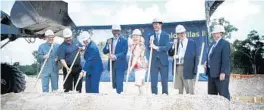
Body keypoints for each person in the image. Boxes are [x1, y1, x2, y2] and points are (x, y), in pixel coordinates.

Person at [168, 25, 198, 94]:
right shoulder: (176, 43)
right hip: (178, 66)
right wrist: (173, 46)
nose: (181, 35)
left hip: (187, 67)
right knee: (179, 88)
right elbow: (170, 53)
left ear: (185, 33)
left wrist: (179, 56)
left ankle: (190, 101)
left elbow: (193, 55)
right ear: (177, 35)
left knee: (189, 89)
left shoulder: (191, 43)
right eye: (179, 33)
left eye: (182, 33)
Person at [205, 25, 231, 100]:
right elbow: (211, 56)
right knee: (212, 97)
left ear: (221, 34)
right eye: (214, 33)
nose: (215, 35)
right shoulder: (212, 44)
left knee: (224, 95)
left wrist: (223, 72)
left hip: (220, 75)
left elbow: (225, 59)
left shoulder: (225, 44)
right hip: (211, 73)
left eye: (217, 33)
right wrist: (206, 61)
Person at [146, 18, 170, 95]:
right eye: (154, 24)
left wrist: (156, 47)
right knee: (153, 79)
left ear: (160, 25)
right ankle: (154, 93)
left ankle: (165, 93)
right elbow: (149, 47)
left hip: (163, 61)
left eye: (157, 24)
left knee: (164, 79)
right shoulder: (150, 35)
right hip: (154, 61)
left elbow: (167, 47)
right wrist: (150, 43)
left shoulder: (166, 35)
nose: (155, 26)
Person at [103, 24, 128, 94]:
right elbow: (104, 51)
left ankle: (120, 93)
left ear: (120, 31)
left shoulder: (124, 41)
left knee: (119, 80)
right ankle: (115, 93)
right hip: (112, 64)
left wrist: (115, 56)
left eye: (117, 31)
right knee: (114, 80)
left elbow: (124, 52)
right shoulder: (109, 40)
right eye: (114, 31)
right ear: (112, 31)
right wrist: (108, 46)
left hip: (120, 64)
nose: (116, 32)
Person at [57, 28, 83, 93]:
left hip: (77, 67)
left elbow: (82, 48)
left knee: (78, 87)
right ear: (64, 37)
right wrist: (67, 68)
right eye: (66, 38)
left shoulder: (76, 41)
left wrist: (81, 49)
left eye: (69, 37)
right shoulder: (61, 47)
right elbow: (62, 59)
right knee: (68, 88)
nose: (68, 39)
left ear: (71, 36)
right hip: (67, 67)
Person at [128, 29, 148, 95]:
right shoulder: (135, 45)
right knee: (139, 82)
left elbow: (136, 57)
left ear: (140, 37)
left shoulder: (139, 46)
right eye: (134, 36)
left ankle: (142, 95)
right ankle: (141, 94)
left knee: (140, 82)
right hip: (139, 66)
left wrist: (131, 67)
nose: (135, 38)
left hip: (140, 65)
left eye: (137, 36)